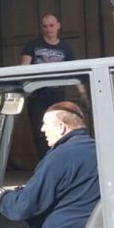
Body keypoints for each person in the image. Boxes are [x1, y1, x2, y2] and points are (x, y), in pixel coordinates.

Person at [21, 14, 75, 158]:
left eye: (51, 25)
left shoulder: (66, 48)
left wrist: (83, 94)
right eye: (45, 26)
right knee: (40, 132)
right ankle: (45, 162)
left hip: (57, 95)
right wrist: (22, 91)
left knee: (61, 129)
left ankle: (59, 161)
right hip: (37, 95)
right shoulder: (32, 45)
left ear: (58, 26)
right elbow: (23, 70)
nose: (48, 29)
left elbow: (75, 71)